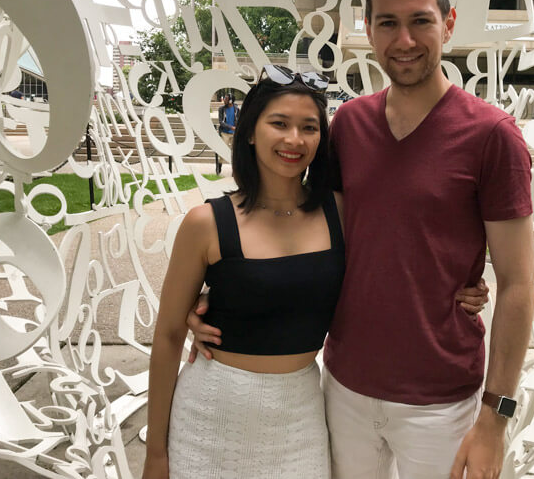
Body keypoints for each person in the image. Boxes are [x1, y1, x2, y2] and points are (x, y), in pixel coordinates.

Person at [190, 0, 534, 479]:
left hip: (439, 397)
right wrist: (230, 297)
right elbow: (311, 232)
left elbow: (517, 284)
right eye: (388, 23)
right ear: (369, 31)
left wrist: (495, 417)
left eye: (420, 20)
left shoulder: (491, 136)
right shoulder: (348, 125)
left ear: (448, 22)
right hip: (344, 384)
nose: (405, 40)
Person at [144, 64, 488, 479]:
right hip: (213, 414)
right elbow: (166, 337)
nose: (294, 139)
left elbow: (399, 258)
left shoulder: (339, 213)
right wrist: (156, 454)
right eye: (279, 123)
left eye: (309, 127)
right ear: (250, 131)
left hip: (301, 419)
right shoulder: (206, 223)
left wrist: (463, 287)